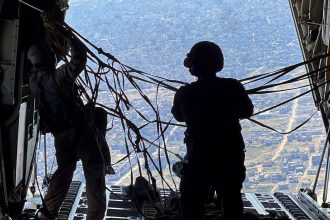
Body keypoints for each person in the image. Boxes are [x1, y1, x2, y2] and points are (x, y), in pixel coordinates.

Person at [27, 24, 107, 219]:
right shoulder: (58, 78)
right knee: (95, 170)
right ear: (49, 58)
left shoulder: (34, 82)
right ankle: (95, 215)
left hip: (61, 136)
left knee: (64, 170)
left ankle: (47, 213)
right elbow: (79, 58)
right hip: (79, 131)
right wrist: (67, 34)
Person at [171, 41, 254, 220]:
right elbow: (247, 111)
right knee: (232, 200)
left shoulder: (185, 93)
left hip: (200, 158)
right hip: (231, 156)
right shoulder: (233, 87)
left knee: (191, 201)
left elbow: (178, 116)